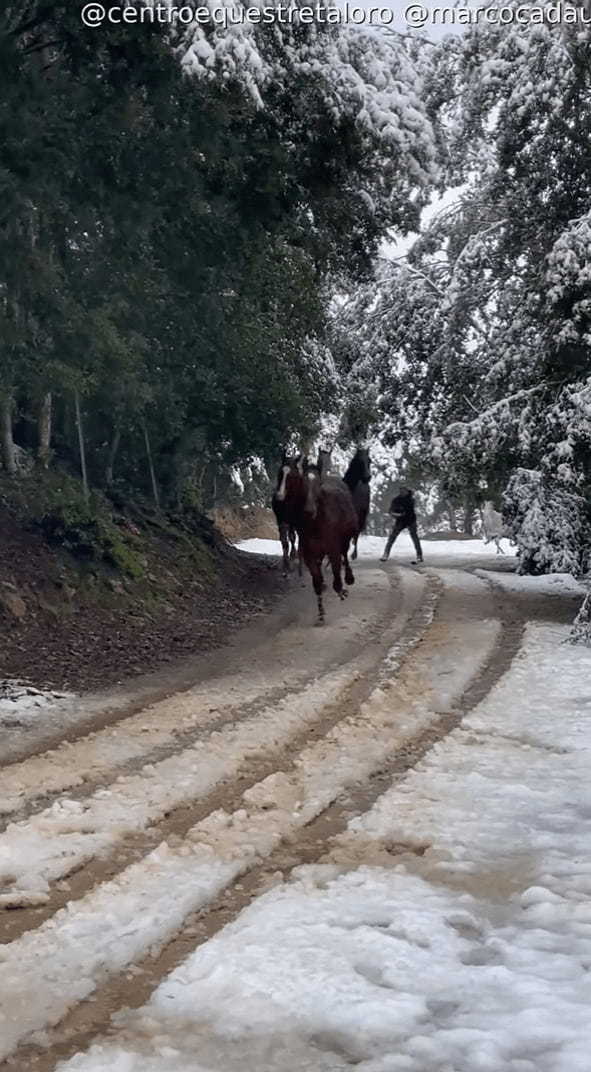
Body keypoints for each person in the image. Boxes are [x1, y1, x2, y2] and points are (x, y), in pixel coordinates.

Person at [380, 487, 423, 564]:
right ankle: (385, 554)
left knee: (415, 538)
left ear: (407, 491)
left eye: (404, 491)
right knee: (392, 538)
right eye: (401, 491)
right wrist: (398, 514)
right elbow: (391, 511)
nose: (402, 492)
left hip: (411, 520)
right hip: (400, 521)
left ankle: (419, 555)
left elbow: (411, 508)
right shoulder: (396, 500)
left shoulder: (411, 499)